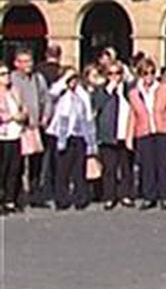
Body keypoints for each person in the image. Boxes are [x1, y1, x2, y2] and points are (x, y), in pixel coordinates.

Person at [128, 58, 166, 210]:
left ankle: (165, 196)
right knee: (147, 166)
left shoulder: (165, 88)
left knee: (163, 165)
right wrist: (129, 136)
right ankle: (149, 196)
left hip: (164, 130)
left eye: (152, 73)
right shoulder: (134, 93)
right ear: (140, 74)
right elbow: (133, 115)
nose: (149, 76)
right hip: (144, 131)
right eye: (145, 73)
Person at [47, 69, 97, 210]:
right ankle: (61, 199)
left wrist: (91, 140)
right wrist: (65, 79)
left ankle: (80, 198)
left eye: (75, 79)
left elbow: (88, 116)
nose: (73, 82)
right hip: (62, 135)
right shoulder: (62, 93)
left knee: (79, 169)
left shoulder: (82, 94)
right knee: (62, 169)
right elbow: (52, 93)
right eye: (70, 80)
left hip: (79, 134)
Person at [92, 59, 134, 209]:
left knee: (126, 167)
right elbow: (96, 105)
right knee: (109, 168)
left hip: (125, 132)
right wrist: (108, 90)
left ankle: (126, 194)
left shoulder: (128, 89)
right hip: (108, 134)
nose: (114, 76)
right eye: (111, 73)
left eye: (118, 73)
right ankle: (109, 196)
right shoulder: (101, 90)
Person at [10, 50, 49, 206]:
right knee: (17, 164)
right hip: (19, 127)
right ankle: (16, 196)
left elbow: (46, 99)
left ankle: (34, 195)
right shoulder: (12, 79)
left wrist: (45, 116)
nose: (28, 65)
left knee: (36, 163)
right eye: (24, 61)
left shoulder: (38, 79)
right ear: (16, 63)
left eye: (30, 61)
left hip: (35, 127)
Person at [0, 64, 28, 213]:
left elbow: (23, 107)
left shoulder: (14, 92)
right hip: (2, 135)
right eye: (3, 74)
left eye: (7, 74)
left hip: (16, 134)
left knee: (14, 169)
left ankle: (10, 200)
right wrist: (11, 117)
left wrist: (23, 114)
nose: (6, 77)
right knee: (2, 169)